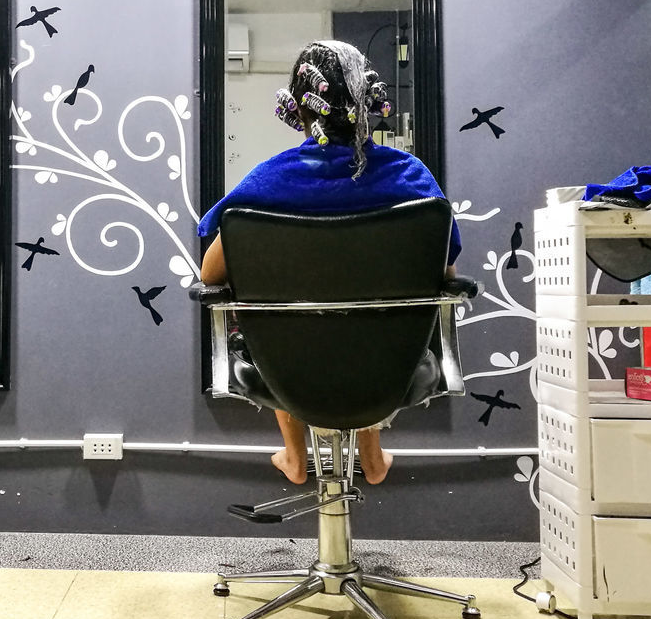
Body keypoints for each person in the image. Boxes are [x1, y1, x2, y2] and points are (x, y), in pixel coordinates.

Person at [197, 39, 461, 487]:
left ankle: (296, 455)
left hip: (288, 370)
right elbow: (446, 274)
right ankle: (372, 454)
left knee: (288, 323)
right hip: (387, 372)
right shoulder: (412, 178)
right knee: (368, 326)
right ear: (369, 100)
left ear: (298, 108)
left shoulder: (265, 182)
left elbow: (210, 274)